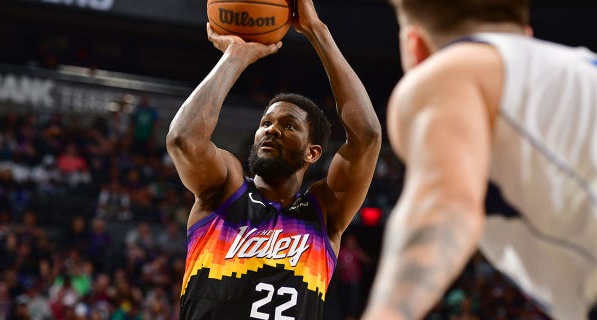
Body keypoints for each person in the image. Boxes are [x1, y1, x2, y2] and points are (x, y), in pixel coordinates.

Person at [361, 1, 597, 320]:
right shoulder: (575, 68)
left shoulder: (449, 73)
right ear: (526, 35)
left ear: (414, 46)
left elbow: (444, 205)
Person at [165, 0, 382, 318]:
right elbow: (183, 140)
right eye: (265, 123)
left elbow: (368, 137)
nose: (272, 130)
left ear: (313, 152)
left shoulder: (324, 212)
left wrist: (316, 30)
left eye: (288, 125)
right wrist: (236, 57)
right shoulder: (225, 189)